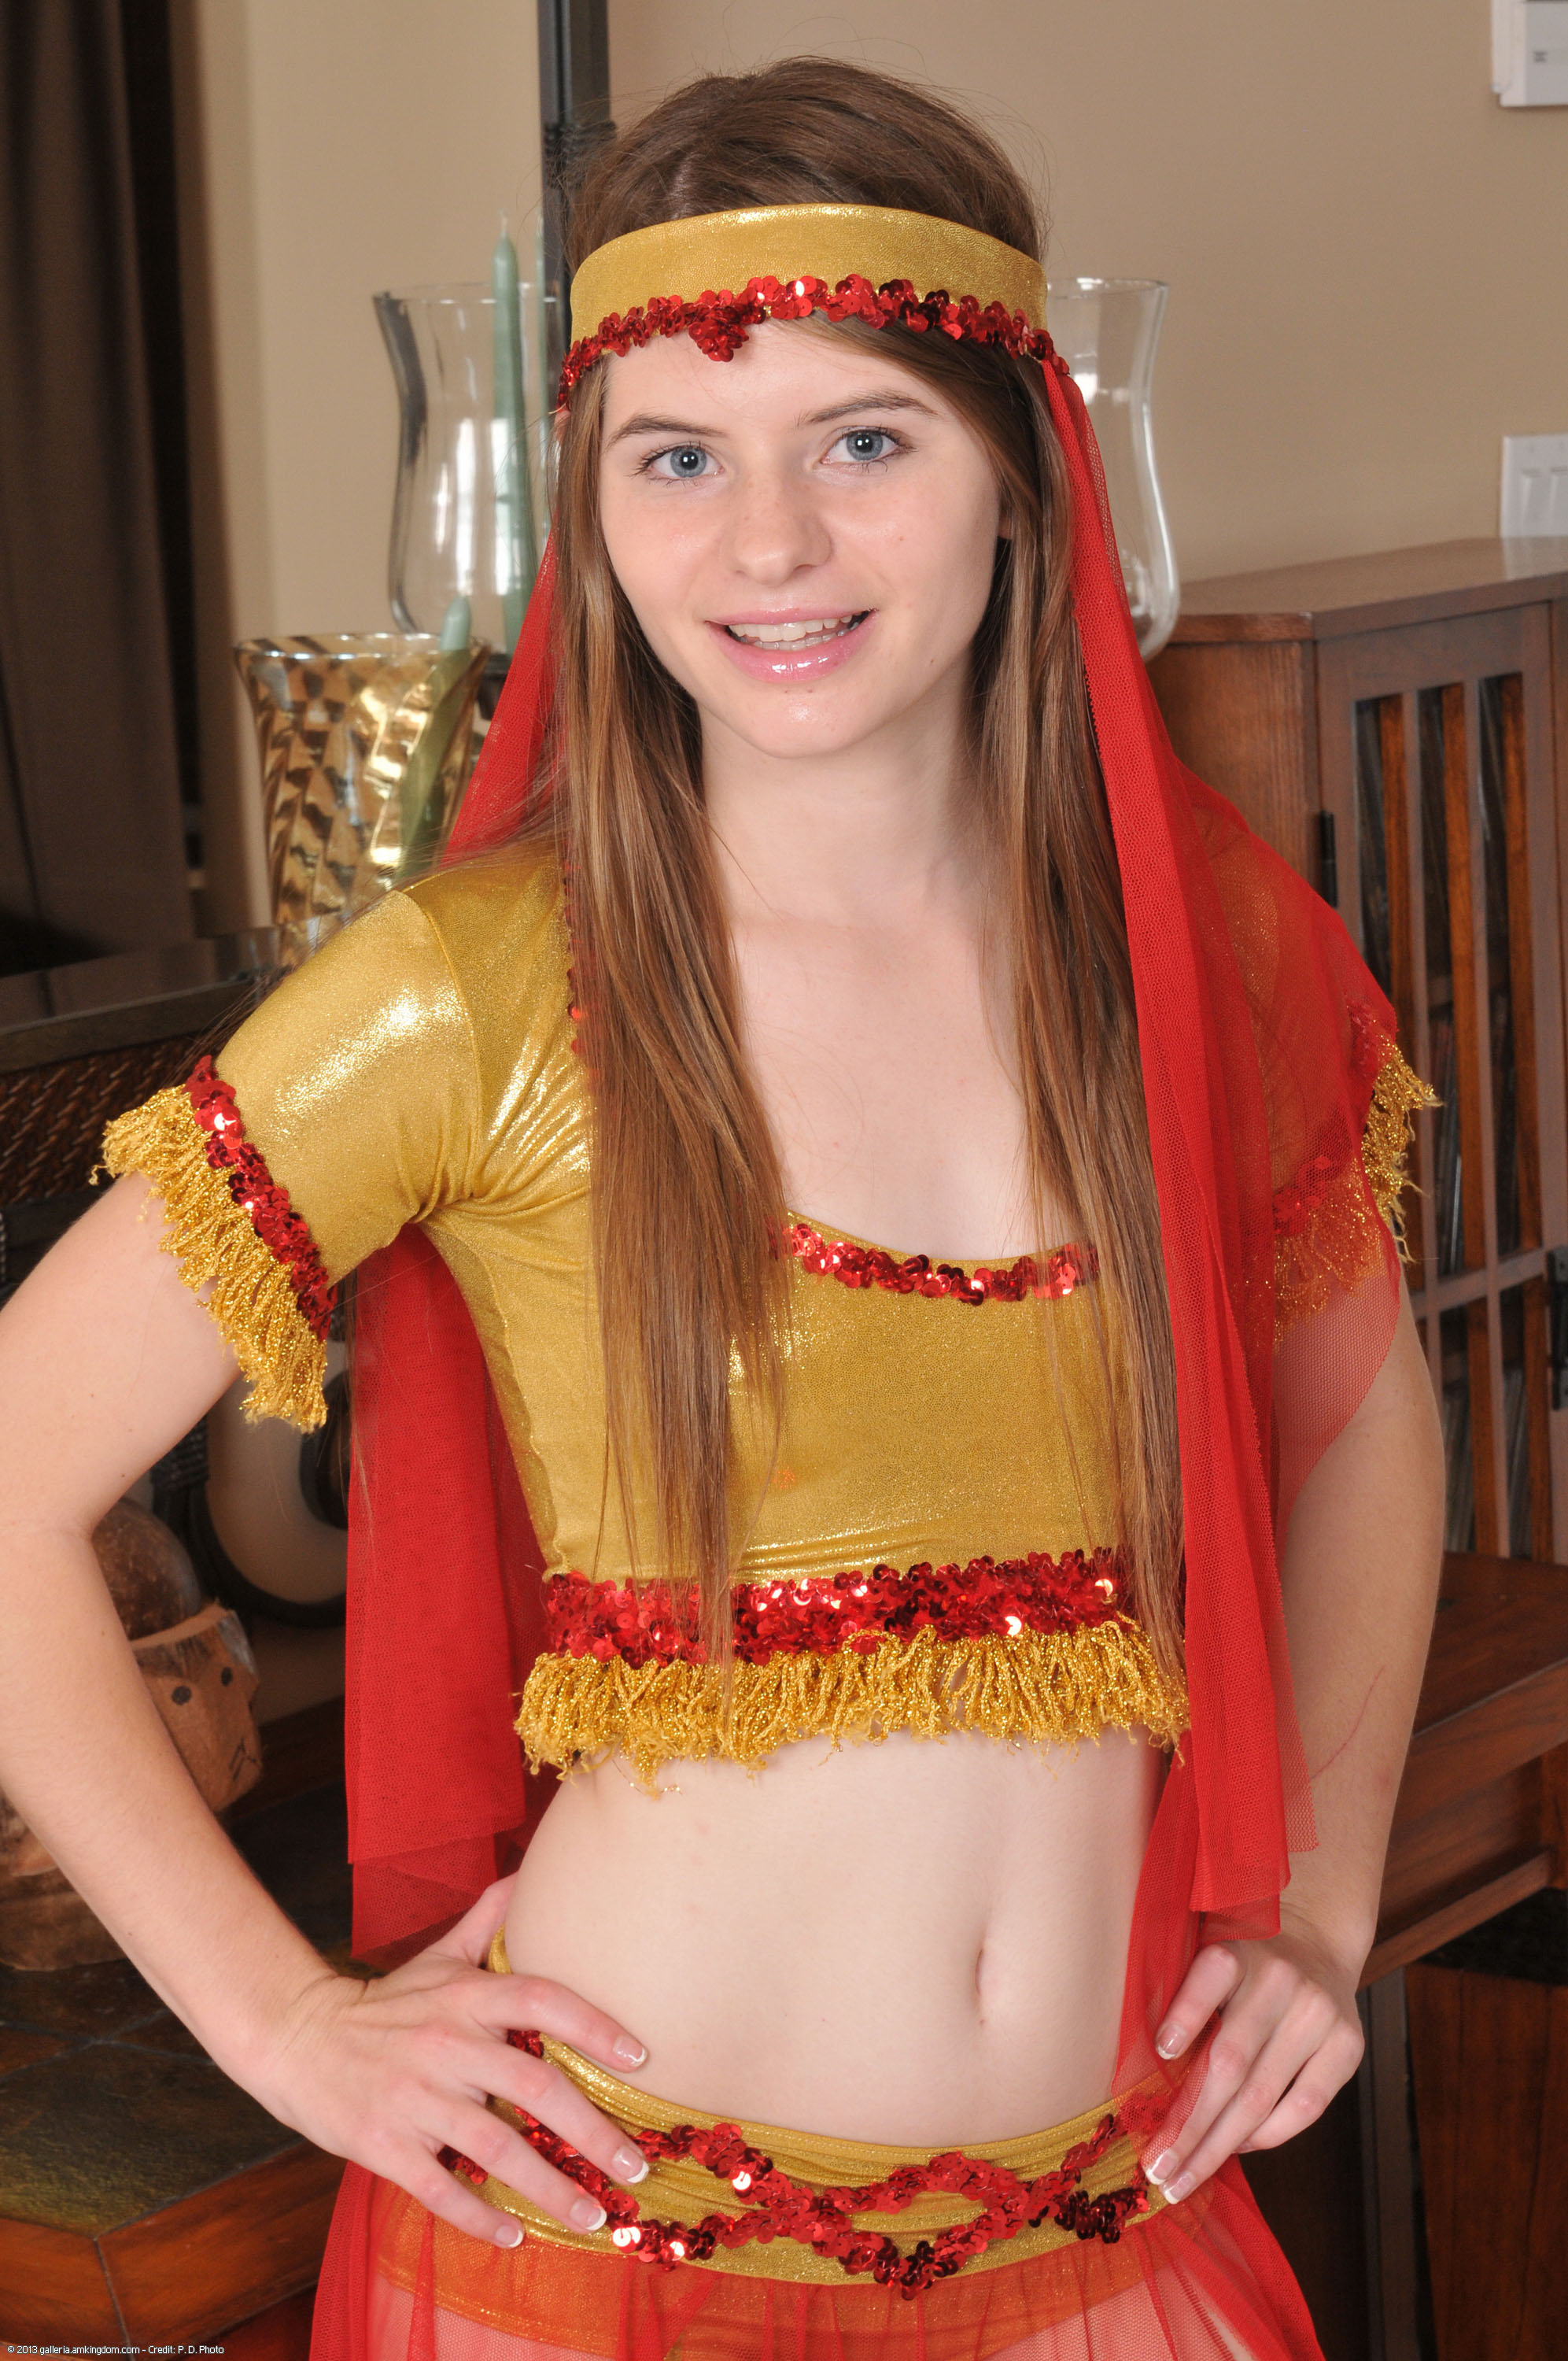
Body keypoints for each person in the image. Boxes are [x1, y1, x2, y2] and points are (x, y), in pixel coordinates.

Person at [0, 58, 1444, 2361]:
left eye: (860, 441)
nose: (768, 544)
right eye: (677, 458)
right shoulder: (474, 992)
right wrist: (283, 2026)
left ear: (1021, 473)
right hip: (610, 2244)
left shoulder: (1201, 951)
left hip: (1101, 2219)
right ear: (594, 516)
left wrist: (1324, 1902)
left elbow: (1361, 1418)